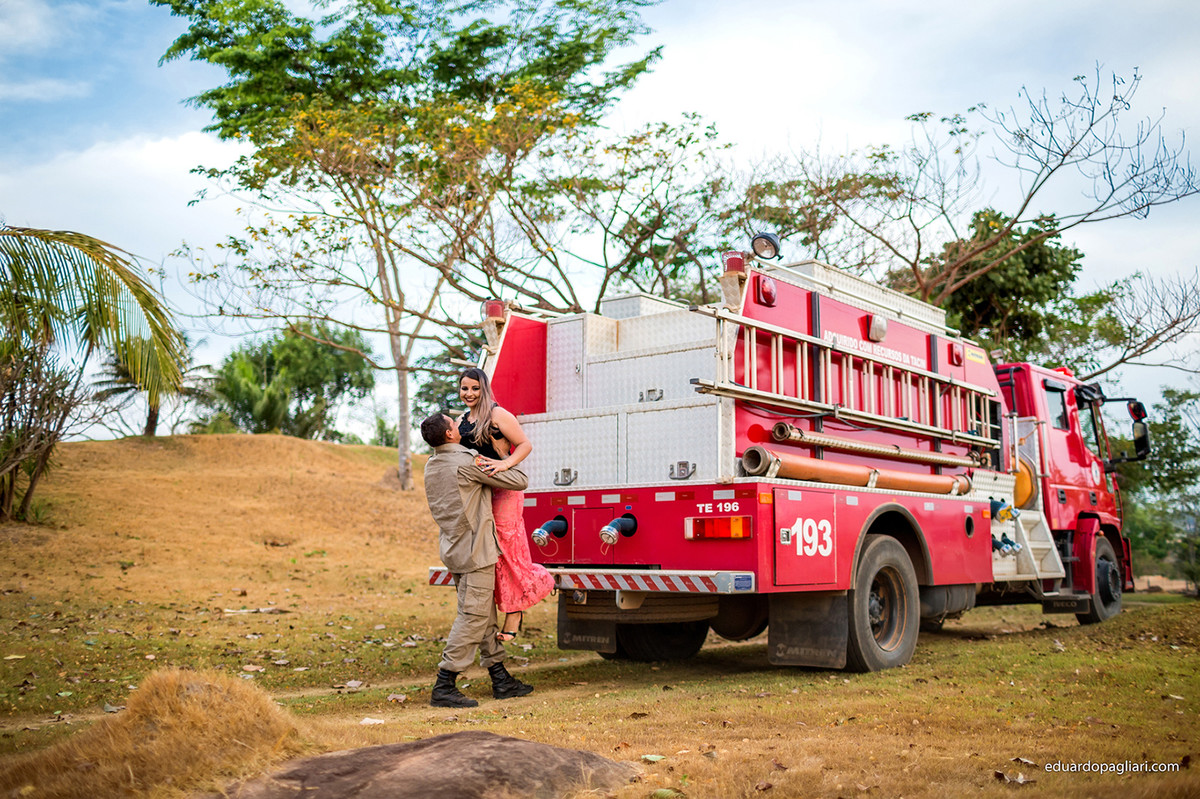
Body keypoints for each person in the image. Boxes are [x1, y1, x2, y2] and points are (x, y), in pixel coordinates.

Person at [419, 412, 534, 708]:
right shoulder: (467, 462)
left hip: (453, 549)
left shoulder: (432, 464)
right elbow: (520, 480)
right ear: (449, 434)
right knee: (472, 616)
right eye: (454, 424)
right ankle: (445, 684)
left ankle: (500, 678)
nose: (460, 425)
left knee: (483, 615)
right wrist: (501, 454)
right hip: (476, 551)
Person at [456, 367, 555, 642]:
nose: (469, 393)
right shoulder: (461, 420)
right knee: (490, 553)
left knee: (509, 549)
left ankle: (517, 610)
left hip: (506, 490)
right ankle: (495, 609)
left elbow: (524, 445)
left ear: (484, 388)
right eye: (464, 388)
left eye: (475, 388)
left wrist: (505, 464)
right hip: (481, 492)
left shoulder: (498, 415)